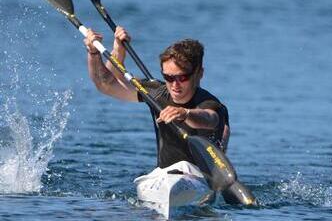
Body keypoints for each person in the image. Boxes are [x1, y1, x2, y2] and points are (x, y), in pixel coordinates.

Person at [84, 26, 255, 205]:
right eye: (168, 77)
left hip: (199, 179)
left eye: (182, 78)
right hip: (163, 177)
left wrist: (185, 114)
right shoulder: (157, 94)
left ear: (199, 74)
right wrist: (95, 52)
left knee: (224, 132)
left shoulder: (211, 104)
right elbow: (106, 84)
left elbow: (209, 118)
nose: (174, 85)